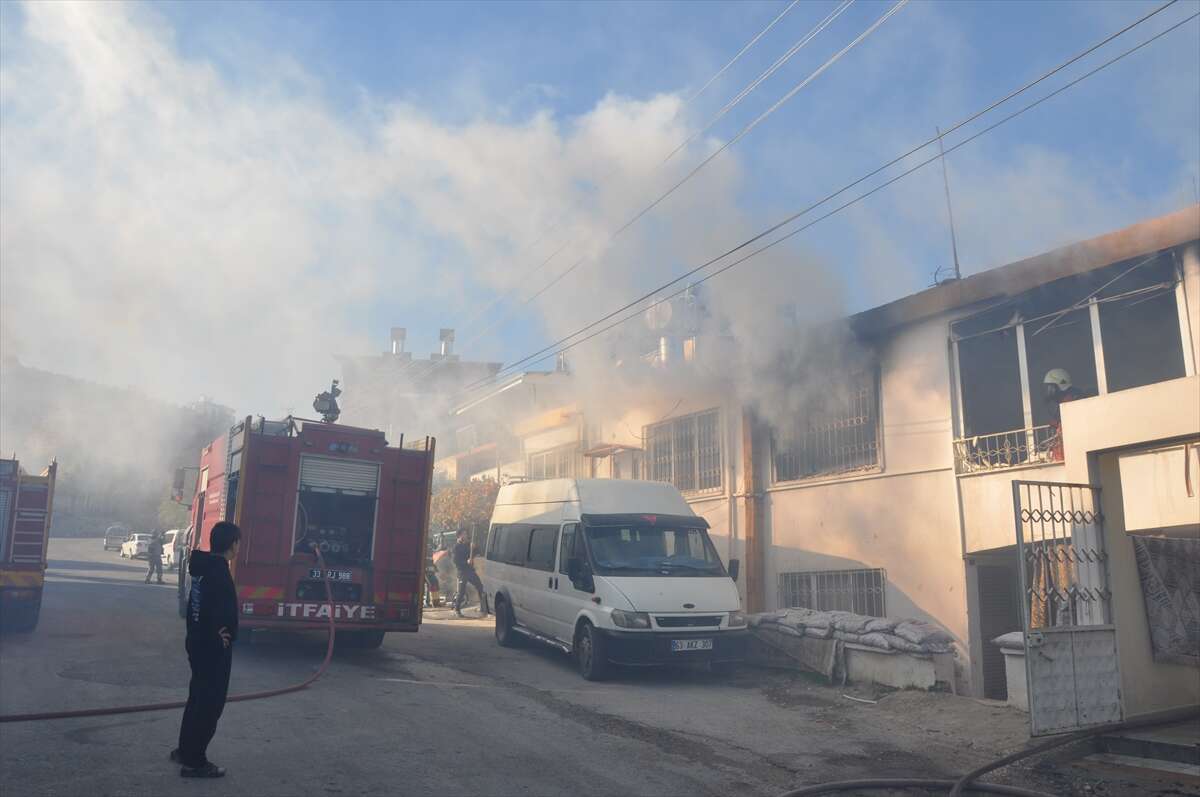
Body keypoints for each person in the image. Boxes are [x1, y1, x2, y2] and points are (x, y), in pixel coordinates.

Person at [171, 521, 241, 778]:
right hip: (212, 649)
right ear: (233, 544)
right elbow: (218, 611)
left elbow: (198, 608)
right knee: (210, 705)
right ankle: (195, 761)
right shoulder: (218, 572)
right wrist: (219, 638)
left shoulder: (202, 568)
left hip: (197, 642)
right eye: (238, 542)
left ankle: (185, 750)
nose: (238, 547)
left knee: (197, 698)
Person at [1043, 368, 1083, 461]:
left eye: (1051, 387)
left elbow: (1066, 422)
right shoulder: (1063, 402)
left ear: (1059, 386)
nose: (1049, 391)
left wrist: (1055, 423)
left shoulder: (1070, 400)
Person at [452, 530, 488, 618]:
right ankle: (456, 610)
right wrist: (466, 562)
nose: (466, 535)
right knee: (461, 592)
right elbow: (456, 561)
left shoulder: (468, 545)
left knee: (480, 586)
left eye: (466, 534)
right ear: (459, 536)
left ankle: (483, 608)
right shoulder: (456, 547)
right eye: (464, 534)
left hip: (470, 571)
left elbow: (476, 553)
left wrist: (474, 548)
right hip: (462, 572)